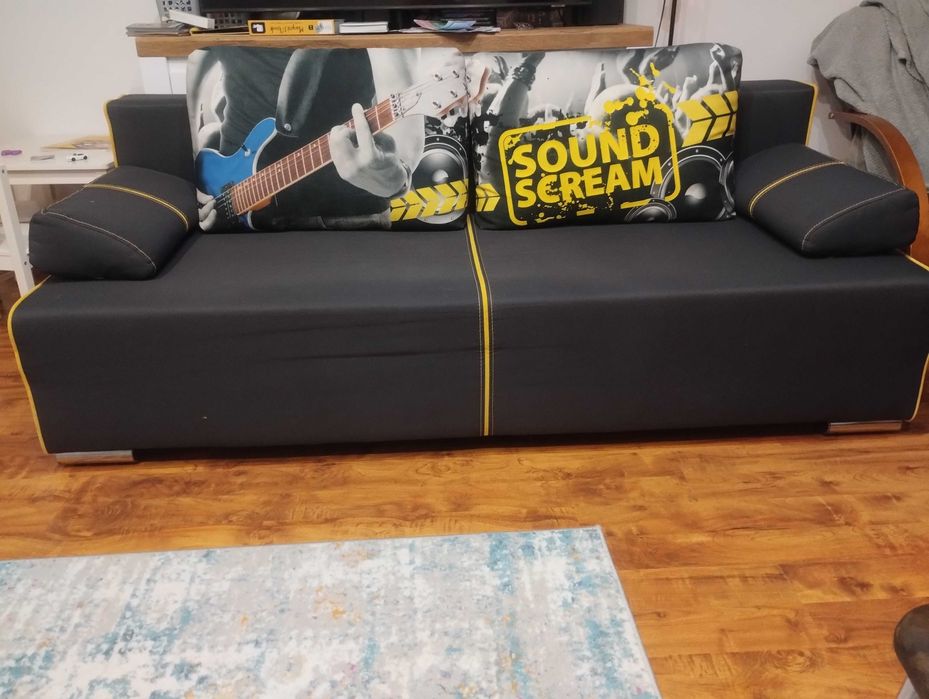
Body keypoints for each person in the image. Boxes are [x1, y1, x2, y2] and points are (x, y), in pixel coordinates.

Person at [187, 47, 425, 231]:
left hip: (343, 215)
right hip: (225, 201)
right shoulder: (220, 11)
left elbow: (403, 117)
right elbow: (196, 61)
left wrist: (391, 177)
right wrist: (191, 173)